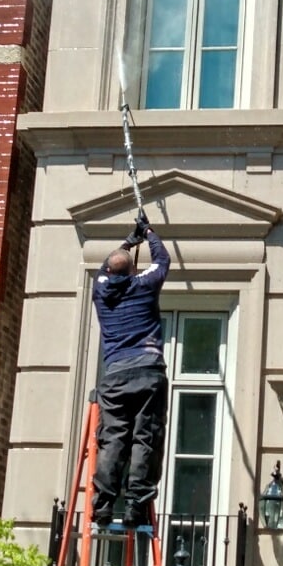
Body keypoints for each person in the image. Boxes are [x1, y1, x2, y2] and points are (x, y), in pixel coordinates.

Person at [91, 210, 171, 529]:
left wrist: (128, 241)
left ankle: (103, 506)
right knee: (145, 437)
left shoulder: (100, 289)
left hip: (114, 377)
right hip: (148, 372)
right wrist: (148, 232)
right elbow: (163, 260)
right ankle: (137, 503)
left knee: (113, 439)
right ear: (133, 269)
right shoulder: (145, 284)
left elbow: (108, 265)